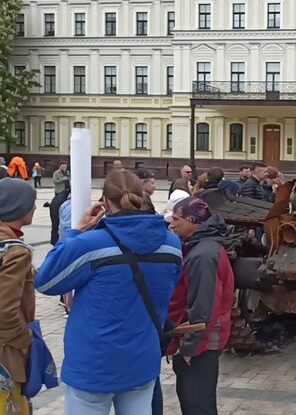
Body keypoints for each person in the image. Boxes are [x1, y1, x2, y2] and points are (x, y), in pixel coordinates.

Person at [35, 171, 182, 415]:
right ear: (143, 194)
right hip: (141, 359)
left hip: (94, 364)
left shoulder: (91, 244)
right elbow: (169, 287)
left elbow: (46, 282)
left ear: (104, 202)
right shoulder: (172, 244)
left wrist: (74, 233)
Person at [167, 197, 234, 415]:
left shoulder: (202, 255)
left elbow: (204, 306)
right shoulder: (204, 248)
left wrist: (191, 348)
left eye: (177, 219)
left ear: (192, 220)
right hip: (203, 340)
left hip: (203, 343)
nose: (172, 224)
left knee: (197, 404)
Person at [0, 179, 38, 415]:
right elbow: (4, 309)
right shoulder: (15, 251)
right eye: (31, 203)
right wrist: (25, 338)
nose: (35, 208)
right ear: (18, 207)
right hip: (5, 353)